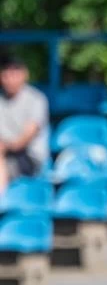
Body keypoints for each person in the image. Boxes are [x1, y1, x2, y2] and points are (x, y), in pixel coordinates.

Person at [0, 54, 50, 193]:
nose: (10, 79)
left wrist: (4, 146)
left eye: (14, 74)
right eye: (6, 75)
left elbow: (24, 139)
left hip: (28, 158)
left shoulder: (36, 99)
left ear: (24, 74)